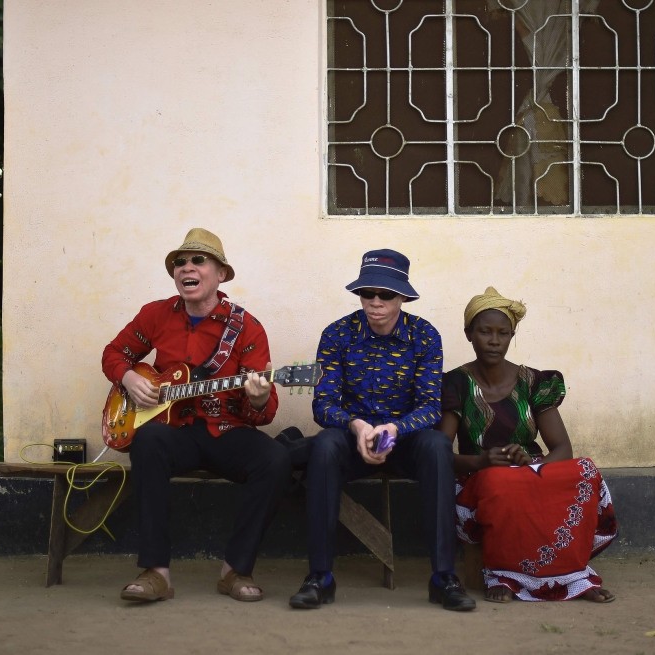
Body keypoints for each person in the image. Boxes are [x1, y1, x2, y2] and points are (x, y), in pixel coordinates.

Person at [102, 227, 291, 603]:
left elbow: (265, 414)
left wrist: (257, 399)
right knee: (148, 441)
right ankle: (156, 573)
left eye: (198, 260)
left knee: (276, 459)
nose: (186, 267)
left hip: (226, 429)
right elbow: (114, 353)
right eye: (180, 262)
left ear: (220, 274)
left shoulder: (246, 327)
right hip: (174, 432)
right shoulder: (156, 315)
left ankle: (235, 570)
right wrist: (128, 378)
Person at [288, 249, 476, 612]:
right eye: (367, 293)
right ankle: (320, 576)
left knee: (438, 446)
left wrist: (392, 430)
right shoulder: (337, 334)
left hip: (403, 439)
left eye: (386, 295)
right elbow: (323, 404)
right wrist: (357, 426)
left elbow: (429, 406)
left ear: (402, 297)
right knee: (325, 447)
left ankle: (443, 577)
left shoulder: (424, 335)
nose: (375, 303)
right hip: (351, 437)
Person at [438, 286, 618, 603]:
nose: (494, 341)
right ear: (469, 334)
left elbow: (562, 448)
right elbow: (440, 452)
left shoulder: (534, 381)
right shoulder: (455, 384)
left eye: (503, 333)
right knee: (498, 481)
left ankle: (576, 578)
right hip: (477, 477)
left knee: (585, 470)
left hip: (531, 471)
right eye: (485, 332)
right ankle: (504, 577)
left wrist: (533, 464)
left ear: (512, 336)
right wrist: (481, 462)